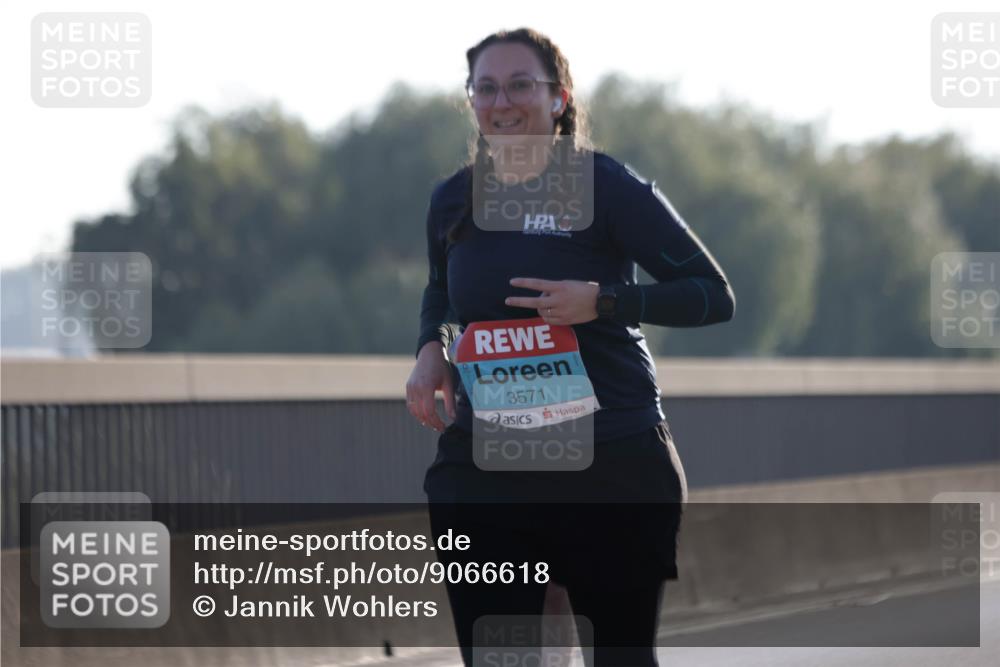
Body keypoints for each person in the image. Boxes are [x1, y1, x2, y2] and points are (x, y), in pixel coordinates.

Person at [406, 27, 735, 667]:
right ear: (470, 99)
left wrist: (603, 301)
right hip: (489, 467)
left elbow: (711, 294)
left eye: (521, 84)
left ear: (558, 99)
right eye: (487, 87)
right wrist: (431, 348)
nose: (503, 101)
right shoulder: (453, 198)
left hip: (609, 462)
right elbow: (443, 295)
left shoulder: (605, 186)